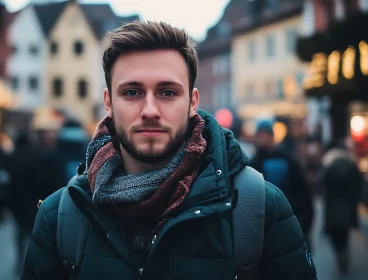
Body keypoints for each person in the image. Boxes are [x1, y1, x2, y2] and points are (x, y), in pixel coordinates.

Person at [22, 21, 316, 280]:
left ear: (192, 102)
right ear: (109, 103)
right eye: (132, 92)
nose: (150, 110)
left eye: (167, 92)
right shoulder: (60, 216)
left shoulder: (258, 209)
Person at [249, 120, 314, 248]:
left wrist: (304, 223)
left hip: (290, 218)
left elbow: (302, 193)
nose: (263, 139)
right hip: (264, 225)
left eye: (266, 135)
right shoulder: (253, 164)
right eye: (260, 135)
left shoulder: (287, 160)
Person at [320, 138, 363, 274]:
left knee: (334, 233)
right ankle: (343, 251)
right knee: (344, 233)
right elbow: (358, 185)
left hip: (332, 205)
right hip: (347, 204)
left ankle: (339, 253)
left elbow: (321, 183)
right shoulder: (352, 164)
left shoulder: (328, 164)